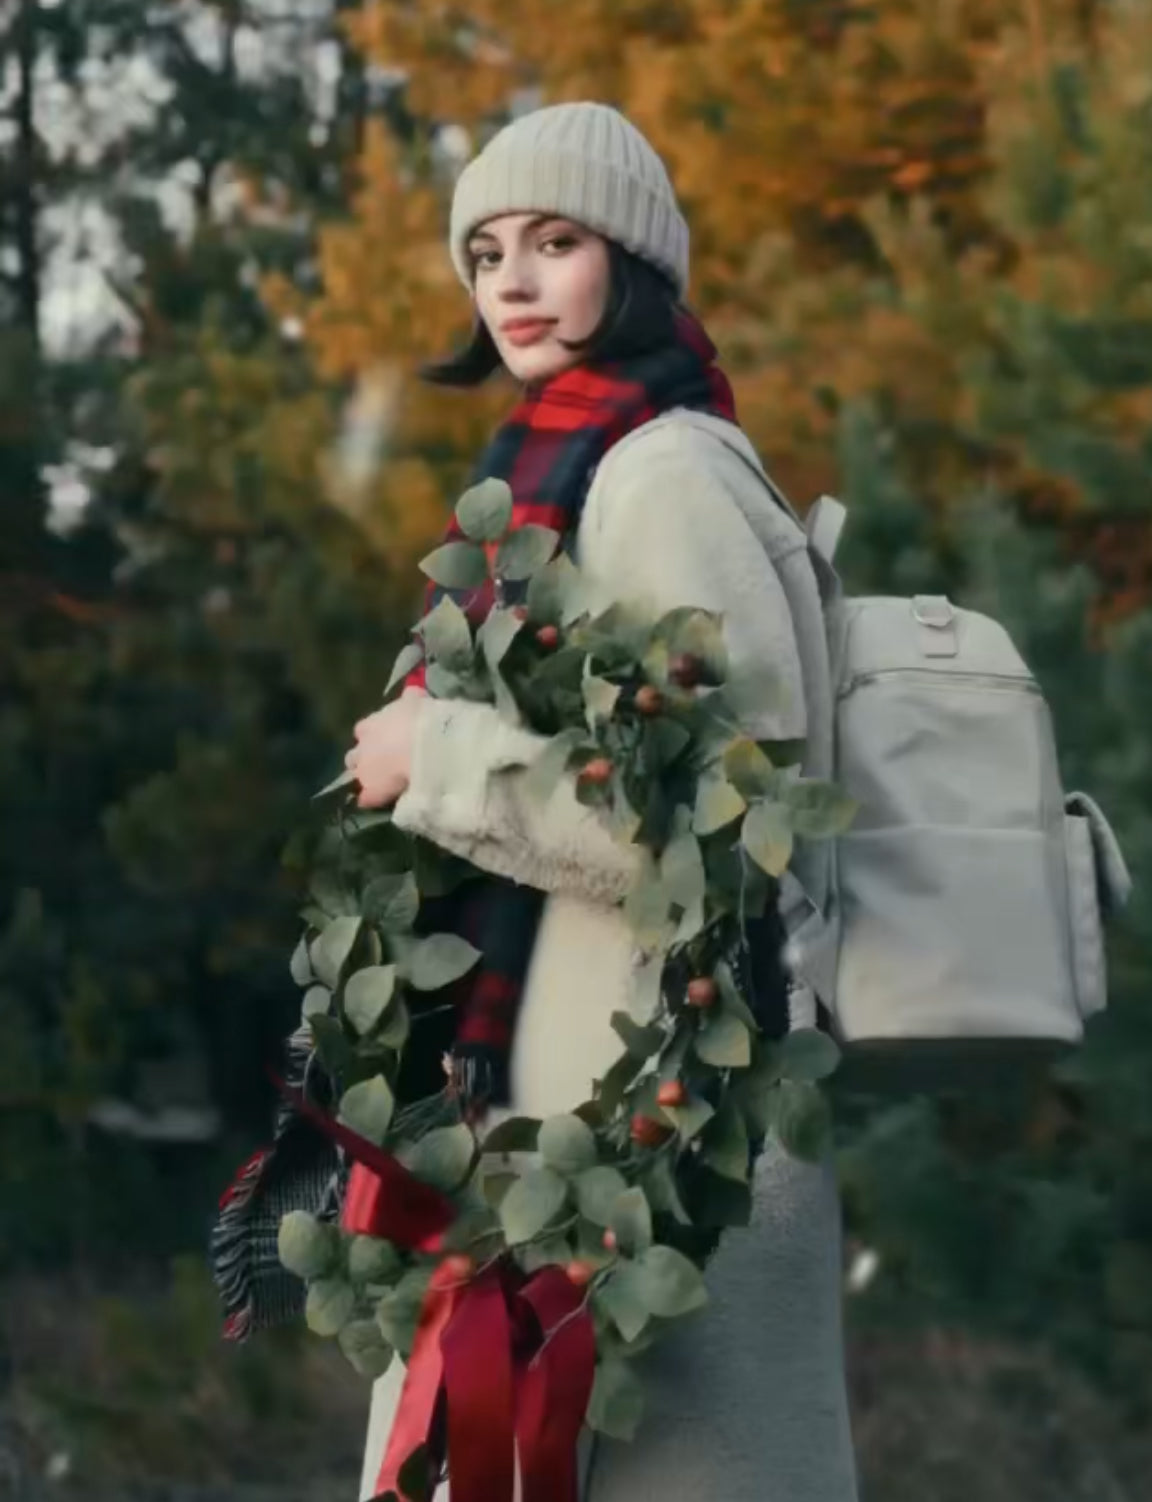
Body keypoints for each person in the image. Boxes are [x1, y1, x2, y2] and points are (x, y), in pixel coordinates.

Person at [344, 100, 858, 1502]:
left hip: (664, 1152)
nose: (509, 281)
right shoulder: (563, 477)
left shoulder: (661, 475)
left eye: (555, 242)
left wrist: (437, 760)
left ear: (630, 264)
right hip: (567, 1135)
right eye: (487, 252)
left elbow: (727, 844)